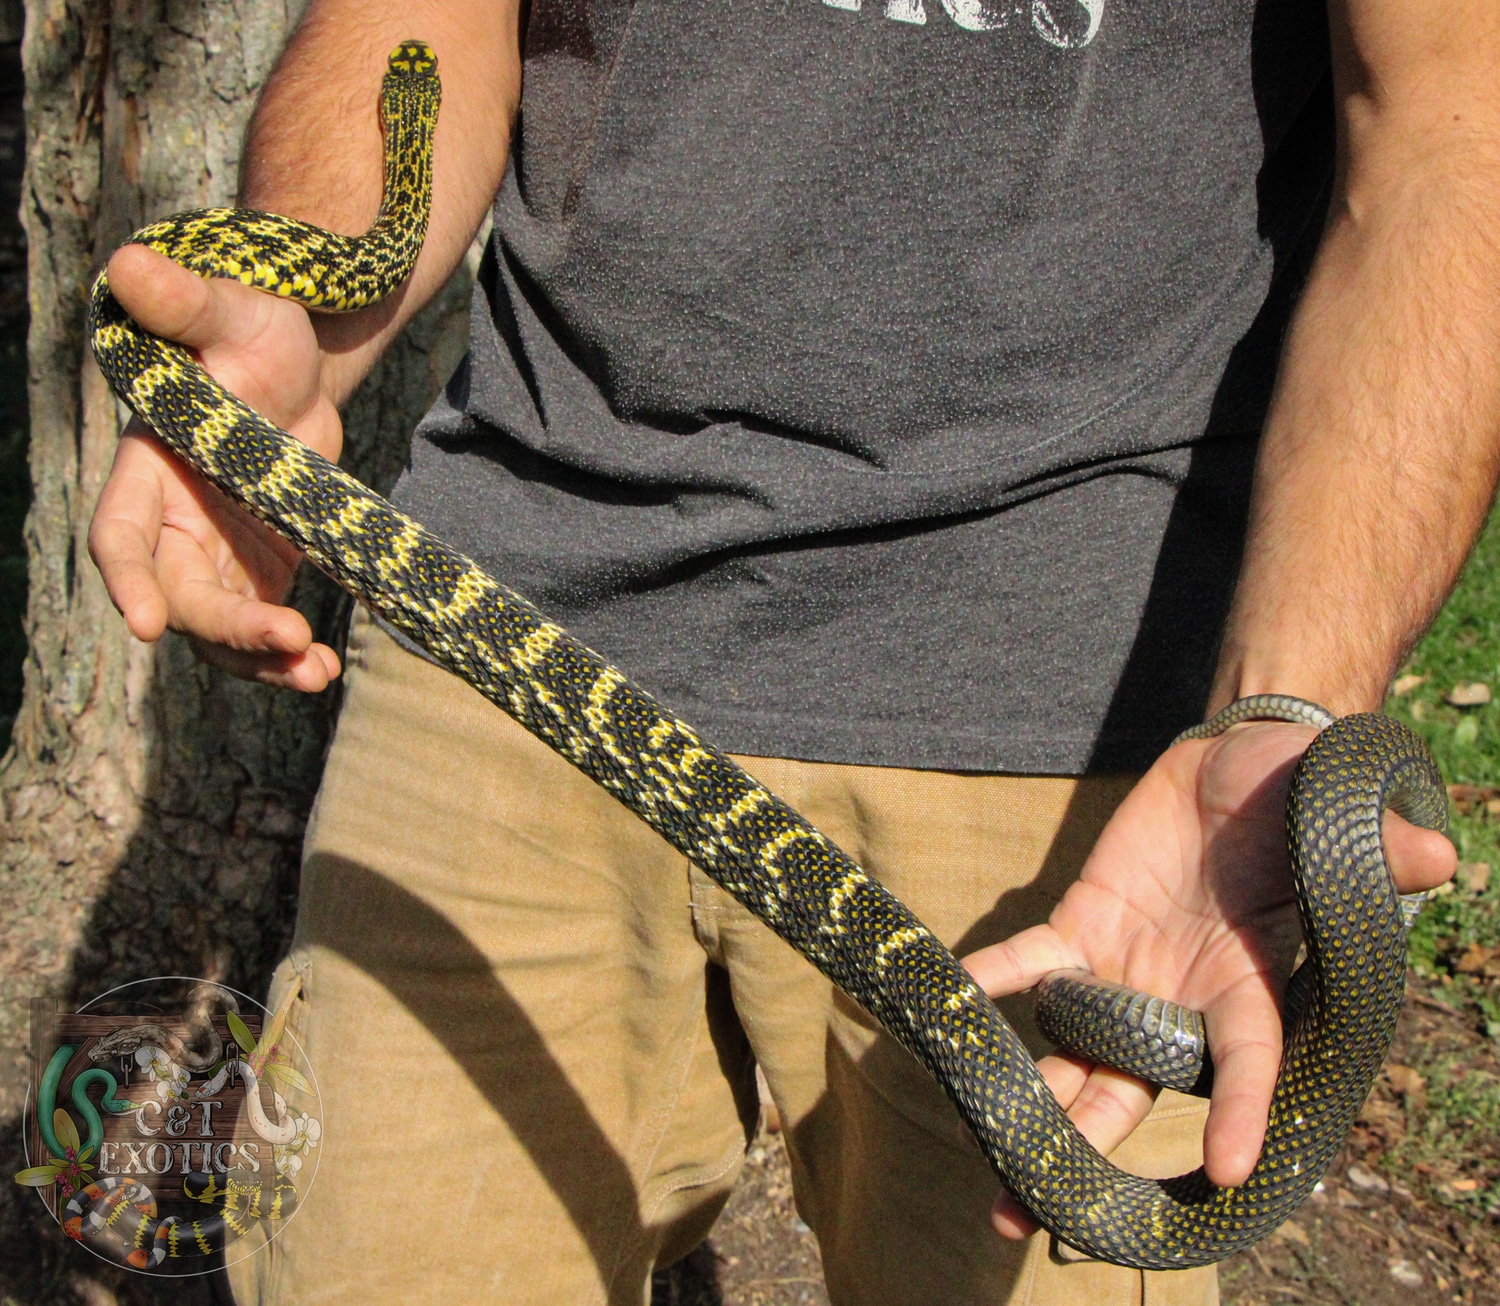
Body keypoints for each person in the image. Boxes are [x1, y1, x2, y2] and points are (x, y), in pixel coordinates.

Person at [86, 0, 1486, 1301]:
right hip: (513, 617)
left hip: (1080, 735)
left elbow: (1449, 128)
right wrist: (301, 320)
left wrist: (1287, 703)